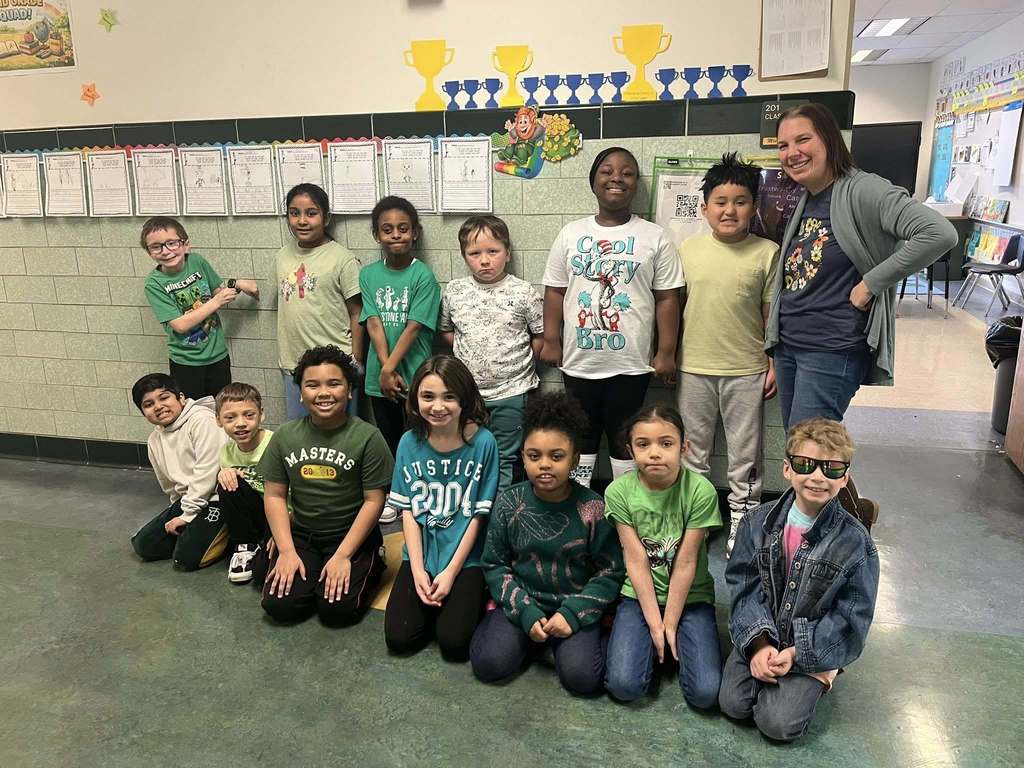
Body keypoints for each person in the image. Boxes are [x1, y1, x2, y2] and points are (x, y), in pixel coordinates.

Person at [767, 104, 957, 437]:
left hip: (830, 347)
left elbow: (939, 233)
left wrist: (871, 283)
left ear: (828, 140)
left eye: (802, 140)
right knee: (802, 450)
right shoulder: (807, 197)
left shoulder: (863, 189)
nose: (792, 153)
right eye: (783, 145)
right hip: (792, 343)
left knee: (809, 455)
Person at [719, 417, 879, 742]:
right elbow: (743, 586)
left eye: (832, 468)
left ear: (845, 477)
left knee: (777, 724)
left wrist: (795, 653)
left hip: (812, 646)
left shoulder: (856, 543)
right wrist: (759, 644)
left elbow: (852, 617)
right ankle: (774, 673)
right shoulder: (755, 523)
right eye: (806, 464)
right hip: (762, 633)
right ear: (787, 469)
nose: (818, 477)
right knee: (733, 704)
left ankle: (824, 673)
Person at [540, 147, 682, 486]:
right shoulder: (571, 233)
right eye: (606, 171)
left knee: (625, 440)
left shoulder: (654, 236)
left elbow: (667, 298)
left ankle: (622, 508)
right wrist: (551, 339)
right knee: (582, 438)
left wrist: (666, 352)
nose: (616, 177)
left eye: (627, 172)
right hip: (579, 362)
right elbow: (555, 290)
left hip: (630, 364)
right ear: (593, 182)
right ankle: (584, 511)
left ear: (636, 185)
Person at [470, 392, 625, 695]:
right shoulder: (509, 502)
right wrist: (525, 611)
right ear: (523, 457)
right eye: (534, 456)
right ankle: (529, 637)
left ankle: (568, 638)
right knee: (488, 664)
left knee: (583, 680)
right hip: (524, 600)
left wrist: (572, 614)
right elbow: (494, 564)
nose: (544, 465)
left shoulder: (593, 508)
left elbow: (610, 571)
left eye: (557, 456)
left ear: (575, 459)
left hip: (573, 604)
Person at [677, 153, 780, 555]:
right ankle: (699, 519)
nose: (729, 210)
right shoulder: (686, 250)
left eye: (740, 201)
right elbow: (674, 309)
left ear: (754, 207)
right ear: (704, 208)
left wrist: (773, 363)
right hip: (693, 368)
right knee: (693, 451)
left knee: (745, 452)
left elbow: (770, 313)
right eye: (720, 201)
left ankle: (744, 517)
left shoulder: (766, 252)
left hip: (747, 369)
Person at [254, 345, 393, 626]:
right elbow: (275, 495)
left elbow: (374, 501)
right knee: (280, 607)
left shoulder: (368, 437)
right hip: (303, 536)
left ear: (350, 390)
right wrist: (287, 550)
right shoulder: (285, 436)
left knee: (336, 611)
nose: (324, 392)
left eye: (334, 383)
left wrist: (343, 555)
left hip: (349, 537)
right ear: (302, 394)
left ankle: (371, 560)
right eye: (312, 385)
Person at [603, 406, 722, 709]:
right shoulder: (618, 492)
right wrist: (655, 626)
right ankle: (647, 644)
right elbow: (636, 560)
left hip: (691, 596)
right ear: (629, 450)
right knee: (623, 686)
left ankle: (667, 644)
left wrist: (670, 622)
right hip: (638, 595)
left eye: (666, 444)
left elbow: (685, 562)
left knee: (706, 693)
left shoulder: (700, 491)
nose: (655, 453)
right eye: (643, 444)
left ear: (685, 448)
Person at [383, 356, 499, 661]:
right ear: (415, 398)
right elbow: (408, 511)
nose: (438, 406)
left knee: (455, 645)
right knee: (399, 639)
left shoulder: (484, 443)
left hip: (464, 557)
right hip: (422, 553)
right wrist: (418, 570)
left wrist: (449, 574)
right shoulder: (409, 442)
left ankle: (474, 595)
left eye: (449, 396)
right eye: (428, 396)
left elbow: (477, 516)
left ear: (465, 398)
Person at [439, 215, 543, 493]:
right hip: (467, 394)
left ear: (507, 253)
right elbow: (447, 331)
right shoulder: (455, 291)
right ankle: (470, 506)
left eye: (493, 251)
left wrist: (518, 365)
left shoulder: (523, 291)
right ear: (464, 256)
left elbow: (540, 335)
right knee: (467, 450)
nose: (485, 260)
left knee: (506, 457)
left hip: (513, 391)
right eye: (475, 253)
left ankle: (502, 512)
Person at [360, 195, 441, 468]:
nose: (396, 235)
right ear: (376, 235)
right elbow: (373, 322)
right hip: (378, 378)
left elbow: (414, 327)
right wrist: (384, 370)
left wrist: (390, 369)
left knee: (418, 441)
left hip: (414, 377)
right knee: (391, 443)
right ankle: (398, 499)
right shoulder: (368, 274)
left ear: (415, 232)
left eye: (403, 228)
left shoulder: (423, 276)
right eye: (387, 229)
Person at [141, 217, 259, 400]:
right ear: (149, 252)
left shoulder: (196, 261)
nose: (165, 251)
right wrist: (215, 302)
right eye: (156, 247)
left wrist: (238, 284)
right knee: (194, 416)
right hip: (186, 362)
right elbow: (179, 325)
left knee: (223, 409)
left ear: (185, 244)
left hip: (218, 355)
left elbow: (218, 290)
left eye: (172, 243)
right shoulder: (154, 283)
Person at [276, 183, 364, 419]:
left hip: (336, 365)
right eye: (294, 213)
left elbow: (357, 312)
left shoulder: (343, 259)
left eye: (311, 213)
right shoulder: (282, 256)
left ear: (326, 218)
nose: (302, 221)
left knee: (341, 435)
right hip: (293, 364)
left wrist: (355, 360)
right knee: (301, 436)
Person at [129, 373, 229, 570]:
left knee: (186, 559)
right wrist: (178, 511)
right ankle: (197, 534)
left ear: (181, 398)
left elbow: (207, 472)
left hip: (217, 499)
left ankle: (230, 532)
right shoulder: (154, 440)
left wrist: (188, 515)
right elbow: (170, 486)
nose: (158, 406)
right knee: (144, 546)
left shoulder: (202, 420)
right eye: (148, 404)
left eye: (164, 397)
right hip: (188, 500)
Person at [214, 382, 272, 584]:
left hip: (281, 513)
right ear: (218, 420)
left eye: (249, 415)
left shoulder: (276, 444)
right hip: (254, 513)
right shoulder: (227, 453)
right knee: (226, 482)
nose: (240, 423)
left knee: (264, 574)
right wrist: (224, 474)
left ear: (261, 414)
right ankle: (244, 545)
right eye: (230, 417)